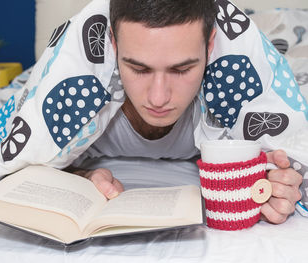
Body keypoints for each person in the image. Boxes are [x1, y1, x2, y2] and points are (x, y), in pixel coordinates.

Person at [65, 0, 303, 225]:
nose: (158, 98)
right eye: (138, 68)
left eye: (182, 69)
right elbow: (35, 156)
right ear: (113, 45)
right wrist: (83, 176)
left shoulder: (233, 92)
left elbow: (284, 160)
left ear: (211, 46)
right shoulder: (77, 97)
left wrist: (275, 183)